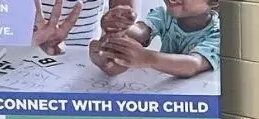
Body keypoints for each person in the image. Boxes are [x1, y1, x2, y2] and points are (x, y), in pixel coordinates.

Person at [90, 0, 222, 78]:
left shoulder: (220, 33)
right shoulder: (164, 14)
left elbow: (193, 64)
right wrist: (119, 25)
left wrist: (147, 58)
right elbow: (140, 32)